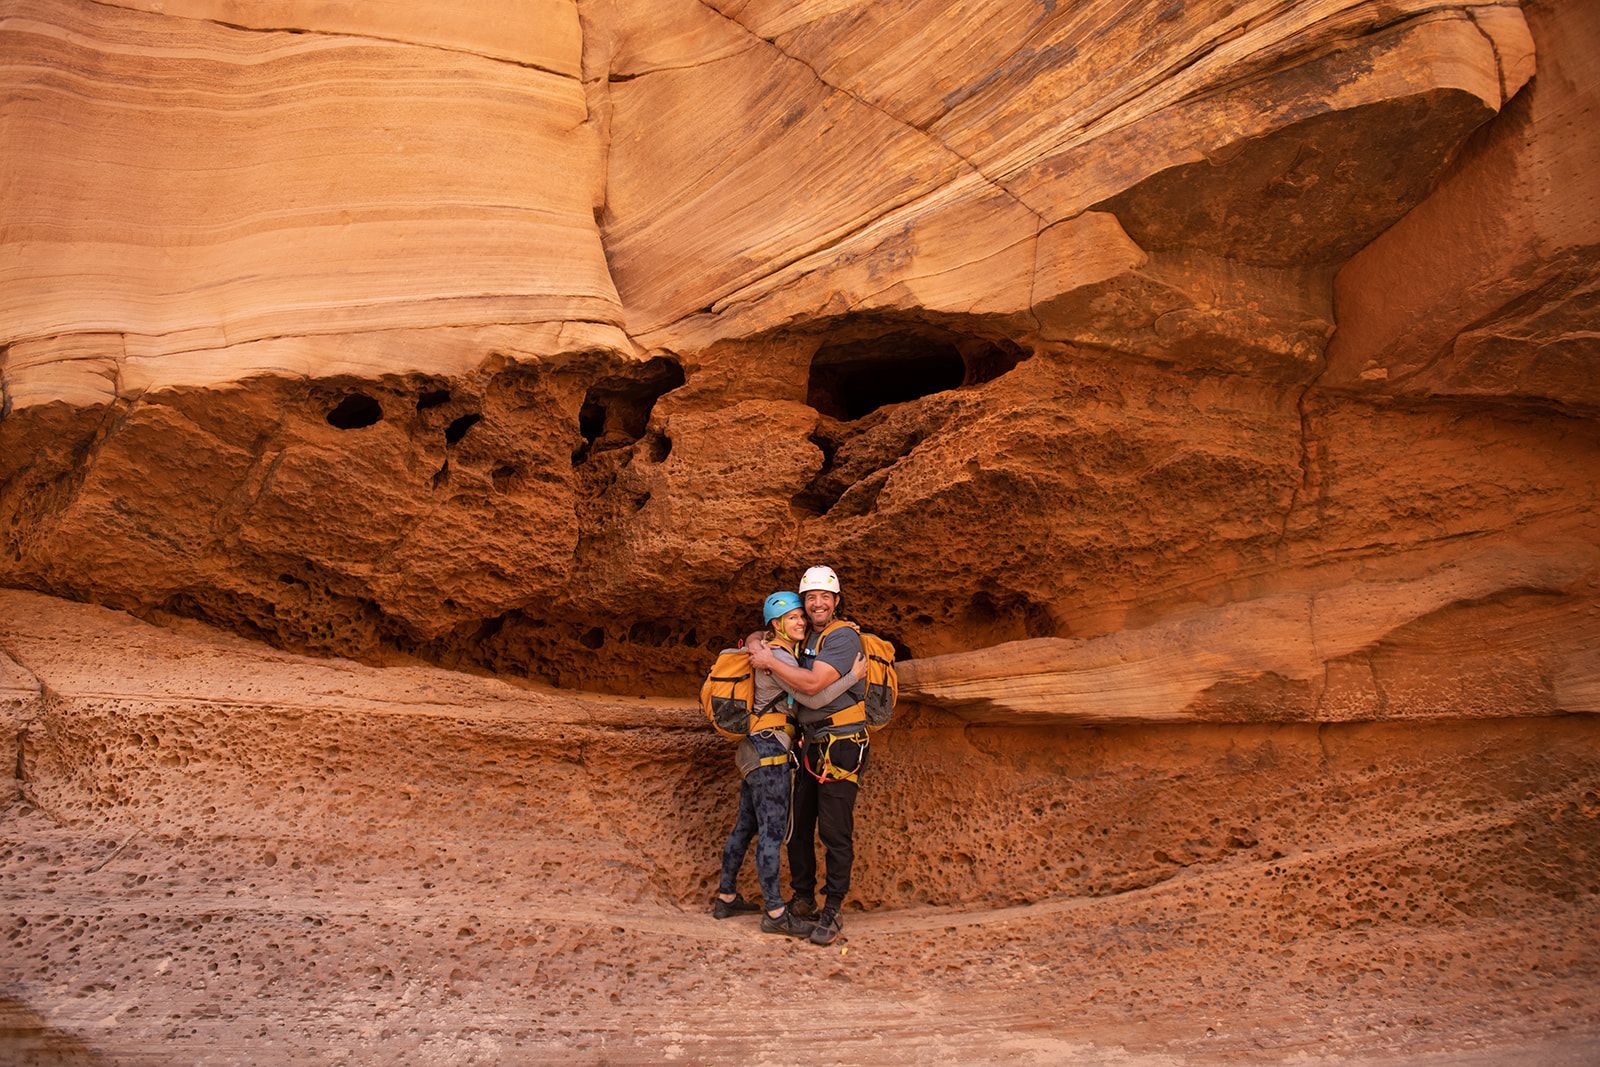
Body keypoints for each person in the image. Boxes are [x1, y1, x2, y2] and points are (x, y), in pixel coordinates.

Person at [713, 590, 864, 938]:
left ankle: (726, 896)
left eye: (802, 616)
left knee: (745, 826)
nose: (802, 621)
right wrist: (853, 677)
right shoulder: (783, 658)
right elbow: (814, 696)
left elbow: (757, 639)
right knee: (773, 832)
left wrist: (755, 642)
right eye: (794, 617)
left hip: (754, 748)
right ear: (777, 624)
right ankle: (776, 912)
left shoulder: (769, 648)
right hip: (770, 752)